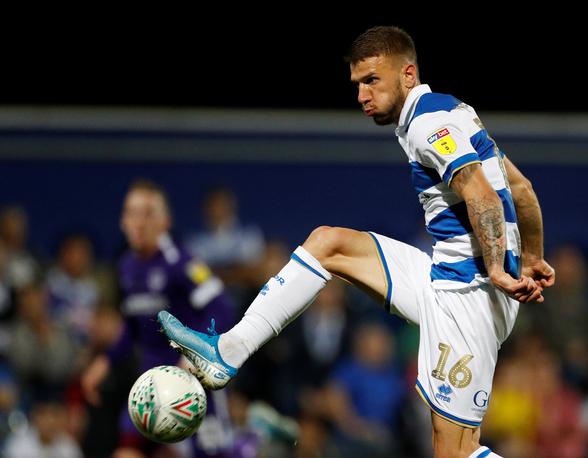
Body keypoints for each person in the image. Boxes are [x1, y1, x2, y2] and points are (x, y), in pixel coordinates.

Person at [158, 26, 555, 458]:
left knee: (456, 452)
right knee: (328, 244)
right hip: (446, 276)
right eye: (357, 84)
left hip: (469, 296)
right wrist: (530, 257)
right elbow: (523, 189)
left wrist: (498, 266)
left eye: (372, 80)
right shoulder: (454, 112)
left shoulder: (427, 125)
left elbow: (480, 193)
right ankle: (229, 351)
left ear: (408, 74)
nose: (362, 95)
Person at [81, 179, 236, 458]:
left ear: (165, 221)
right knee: (126, 451)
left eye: (148, 213)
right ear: (122, 221)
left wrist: (195, 352)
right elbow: (133, 326)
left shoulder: (181, 262)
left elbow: (221, 310)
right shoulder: (127, 266)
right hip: (150, 384)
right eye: (132, 213)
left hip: (194, 384)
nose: (139, 222)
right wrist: (105, 361)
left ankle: (249, 443)